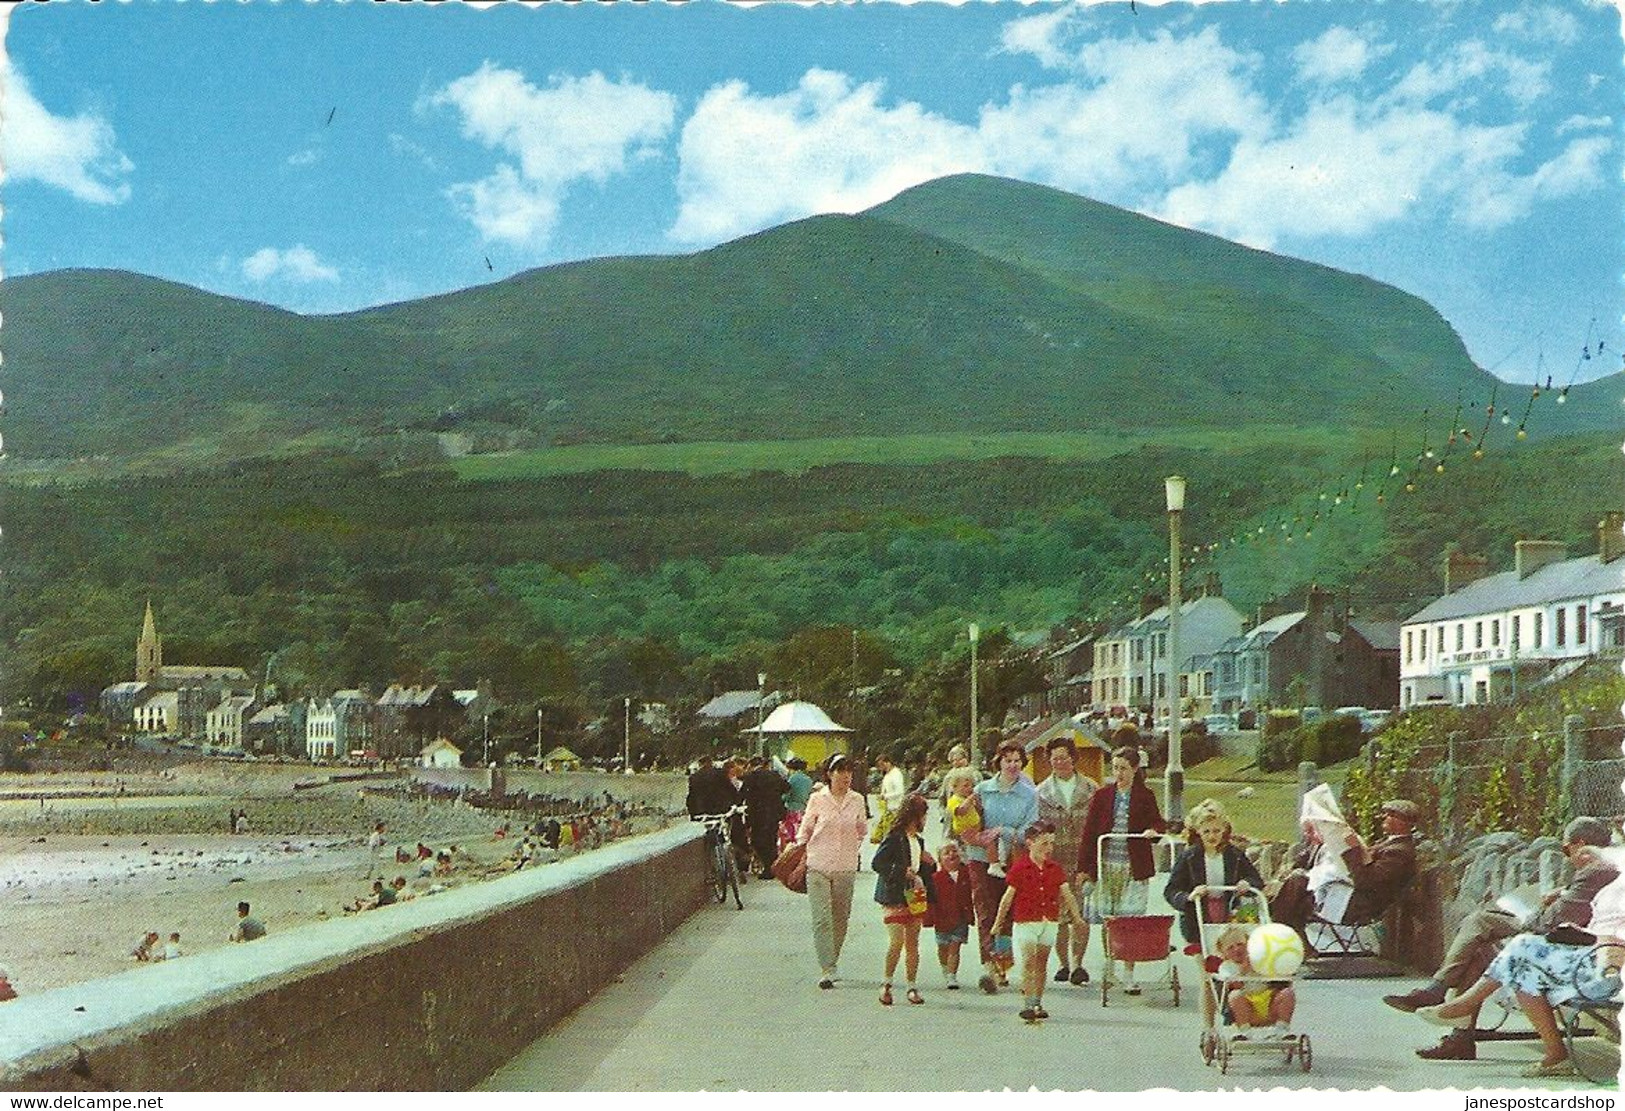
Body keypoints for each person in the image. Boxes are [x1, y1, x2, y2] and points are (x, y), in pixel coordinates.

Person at [1387, 816, 1618, 1061]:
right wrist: (1562, 893)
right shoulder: (1603, 869)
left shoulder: (1596, 871)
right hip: (1572, 941)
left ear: (1580, 844)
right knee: (1479, 943)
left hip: (1571, 946)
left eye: (1565, 849)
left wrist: (1537, 910)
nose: (1567, 857)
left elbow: (1549, 922)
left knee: (1481, 923)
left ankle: (1446, 1000)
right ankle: (1457, 1030)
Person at [1410, 864, 1625, 1078]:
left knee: (1522, 946)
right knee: (1523, 970)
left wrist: (1601, 940)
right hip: (1591, 957)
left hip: (1607, 969)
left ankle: (1463, 1006)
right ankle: (1556, 1056)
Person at [1076, 745, 1166, 995]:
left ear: (1135, 769)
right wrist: (1085, 868)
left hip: (1132, 867)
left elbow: (1159, 822)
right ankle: (1109, 965)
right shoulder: (1103, 795)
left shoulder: (1145, 796)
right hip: (1107, 865)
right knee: (1109, 919)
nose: (1119, 774)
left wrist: (1153, 831)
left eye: (1124, 769)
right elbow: (1089, 832)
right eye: (1115, 768)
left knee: (1130, 920)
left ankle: (1128, 973)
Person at [1166, 800, 1264, 1024]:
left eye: (1217, 831)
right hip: (1198, 919)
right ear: (1198, 832)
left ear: (1225, 831)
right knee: (1208, 975)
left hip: (1228, 918)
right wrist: (1189, 896)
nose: (1212, 836)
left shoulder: (1234, 855)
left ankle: (1236, 1011)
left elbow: (1256, 879)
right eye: (1207, 831)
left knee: (1232, 970)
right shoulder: (1189, 857)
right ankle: (1209, 1028)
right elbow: (1171, 890)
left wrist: (1246, 883)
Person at [1270, 798, 1421, 939]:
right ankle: (1286, 934)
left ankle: (1277, 931)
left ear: (1404, 822)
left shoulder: (1399, 851)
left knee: (1299, 885)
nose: (1385, 817)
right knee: (1299, 885)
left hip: (1362, 905)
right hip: (1353, 895)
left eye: (1391, 815)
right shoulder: (1390, 843)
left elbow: (1366, 881)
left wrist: (1353, 849)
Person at [991, 820, 1085, 1022]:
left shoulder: (1055, 869)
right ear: (1030, 843)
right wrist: (998, 922)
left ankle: (1037, 1002)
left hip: (1049, 921)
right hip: (1026, 921)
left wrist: (1077, 918)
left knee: (1041, 963)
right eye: (1044, 844)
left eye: (1051, 844)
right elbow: (1008, 897)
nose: (1048, 849)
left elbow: (1067, 895)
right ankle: (1027, 1003)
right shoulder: (1020, 868)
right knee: (1028, 961)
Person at [967, 740, 1040, 994]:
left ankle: (1003, 963)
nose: (1012, 765)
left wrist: (1004, 832)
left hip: (1013, 858)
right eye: (1007, 760)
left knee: (1008, 911)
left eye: (1017, 760)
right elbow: (967, 820)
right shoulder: (982, 789)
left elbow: (1030, 831)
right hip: (981, 857)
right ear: (998, 761)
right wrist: (974, 835)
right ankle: (989, 965)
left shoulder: (1030, 794)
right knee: (985, 909)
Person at [794, 753, 868, 989]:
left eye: (849, 771)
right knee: (822, 918)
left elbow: (862, 829)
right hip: (818, 865)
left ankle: (833, 958)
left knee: (840, 918)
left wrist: (853, 848)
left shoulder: (857, 800)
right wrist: (798, 850)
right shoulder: (817, 799)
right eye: (840, 771)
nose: (845, 776)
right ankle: (827, 968)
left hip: (845, 867)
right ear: (829, 774)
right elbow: (805, 829)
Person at [1035, 736, 1099, 986]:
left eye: (1064, 757)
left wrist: (1091, 865)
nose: (1060, 762)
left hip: (1082, 860)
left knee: (1080, 915)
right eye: (1054, 758)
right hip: (1055, 861)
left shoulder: (1091, 788)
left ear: (1074, 758)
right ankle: (1063, 963)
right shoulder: (1041, 792)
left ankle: (1078, 964)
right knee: (1058, 916)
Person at [872, 794, 934, 1006]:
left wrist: (929, 864)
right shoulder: (895, 837)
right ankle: (886, 983)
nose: (925, 819)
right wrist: (901, 871)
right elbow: (878, 863)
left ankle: (911, 985)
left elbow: (920, 867)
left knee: (913, 943)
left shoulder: (918, 840)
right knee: (897, 941)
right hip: (895, 894)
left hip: (914, 892)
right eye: (923, 814)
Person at [1211, 924, 1296, 1037]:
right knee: (1235, 996)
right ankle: (1244, 1031)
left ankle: (1282, 1029)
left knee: (1287, 993)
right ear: (1223, 952)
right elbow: (1229, 980)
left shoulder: (1259, 959)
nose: (1236, 949)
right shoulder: (1226, 966)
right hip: (1246, 1005)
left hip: (1269, 1000)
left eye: (1240, 944)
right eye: (1230, 947)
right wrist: (1243, 969)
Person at [929, 840, 976, 990]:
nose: (951, 855)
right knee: (943, 947)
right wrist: (929, 918)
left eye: (954, 851)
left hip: (961, 917)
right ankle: (945, 967)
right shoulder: (936, 878)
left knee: (955, 947)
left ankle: (952, 976)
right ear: (940, 859)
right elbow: (931, 900)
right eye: (946, 853)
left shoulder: (967, 874)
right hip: (942, 919)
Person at [742, 756, 790, 879]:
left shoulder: (750, 777)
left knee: (757, 840)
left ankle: (769, 867)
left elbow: (742, 794)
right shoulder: (774, 775)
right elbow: (787, 787)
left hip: (757, 814)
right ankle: (772, 867)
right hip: (774, 813)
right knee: (771, 839)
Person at [870, 754, 907, 846]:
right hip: (887, 808)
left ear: (888, 763)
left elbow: (900, 791)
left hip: (895, 807)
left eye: (882, 765)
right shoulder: (887, 775)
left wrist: (886, 796)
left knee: (893, 833)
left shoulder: (896, 774)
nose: (881, 768)